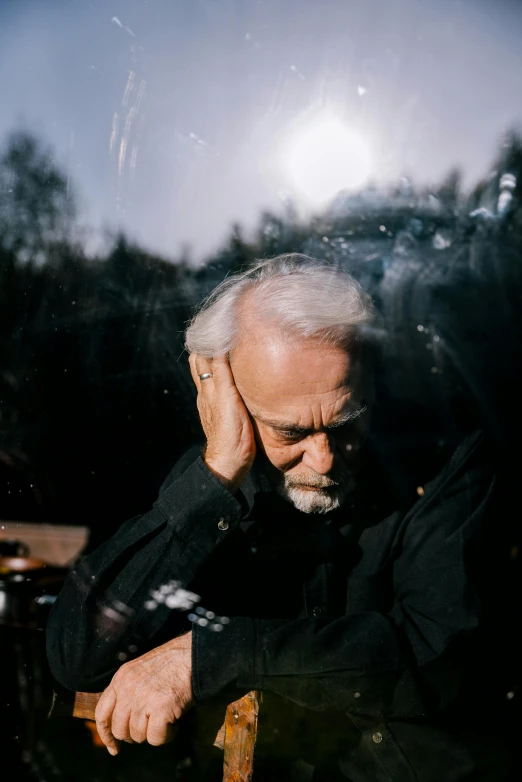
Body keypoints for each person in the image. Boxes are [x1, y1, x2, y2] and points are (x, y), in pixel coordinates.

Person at [46, 254, 513, 781]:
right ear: (228, 399)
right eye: (289, 433)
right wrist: (216, 475)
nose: (325, 459)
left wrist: (216, 655)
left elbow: (438, 653)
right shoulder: (218, 477)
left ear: (371, 381)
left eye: (346, 423)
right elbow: (78, 657)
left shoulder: (447, 460)